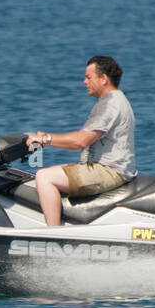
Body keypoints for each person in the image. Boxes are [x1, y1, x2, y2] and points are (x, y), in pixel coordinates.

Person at [28, 56, 136, 227]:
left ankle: (52, 236)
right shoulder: (114, 100)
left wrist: (46, 140)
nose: (84, 81)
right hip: (109, 168)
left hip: (109, 170)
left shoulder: (111, 104)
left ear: (103, 79)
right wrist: (46, 137)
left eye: (88, 77)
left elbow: (82, 140)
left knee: (44, 176)